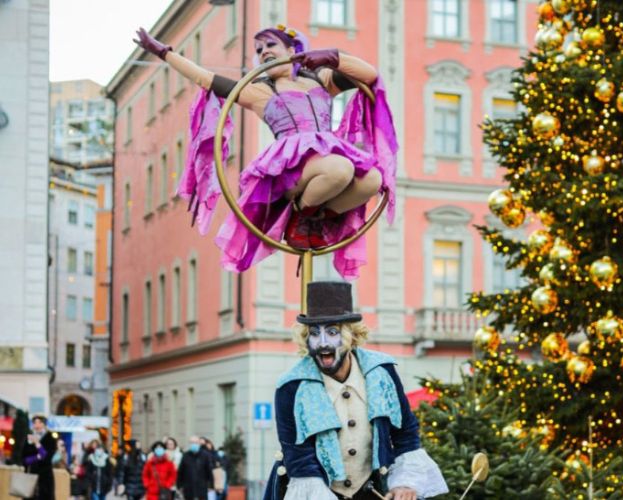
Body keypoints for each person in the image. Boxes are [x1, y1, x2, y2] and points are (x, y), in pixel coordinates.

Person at [133, 24, 397, 279]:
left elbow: (370, 74)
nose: (263, 52)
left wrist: (332, 56)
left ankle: (318, 218)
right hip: (292, 169)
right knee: (341, 168)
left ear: (293, 49)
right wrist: (164, 53)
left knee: (373, 179)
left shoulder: (322, 79)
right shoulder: (259, 91)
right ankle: (299, 215)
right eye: (259, 49)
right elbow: (205, 78)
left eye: (271, 45)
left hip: (328, 158)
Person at [264, 282, 448, 500]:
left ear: (351, 335)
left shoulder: (382, 372)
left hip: (373, 490)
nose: (323, 343)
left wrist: (404, 483)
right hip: (315, 489)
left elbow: (405, 433)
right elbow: (299, 456)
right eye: (314, 333)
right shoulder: (291, 387)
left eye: (332, 332)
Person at [21, 414, 57, 500]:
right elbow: (24, 458)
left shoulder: (50, 438)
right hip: (31, 475)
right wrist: (38, 457)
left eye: (40, 422)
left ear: (44, 424)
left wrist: (37, 443)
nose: (37, 425)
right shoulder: (28, 438)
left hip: (45, 477)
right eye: (35, 422)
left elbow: (47, 457)